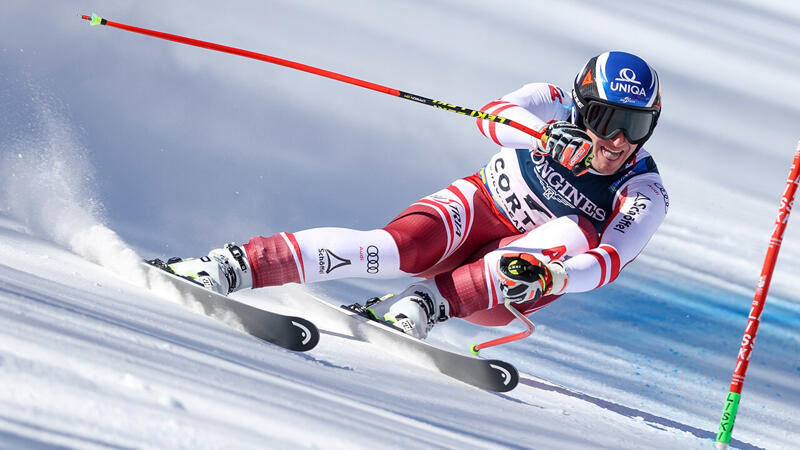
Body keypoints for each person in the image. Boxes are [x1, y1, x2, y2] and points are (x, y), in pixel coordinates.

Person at [164, 51, 669, 340]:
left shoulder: (643, 188)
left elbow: (608, 260)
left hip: (515, 278)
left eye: (636, 125)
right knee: (390, 251)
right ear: (581, 108)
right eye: (607, 120)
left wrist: (557, 273)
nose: (619, 141)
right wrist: (542, 136)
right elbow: (490, 117)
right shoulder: (552, 102)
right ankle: (234, 264)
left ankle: (426, 306)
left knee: (574, 232)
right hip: (481, 207)